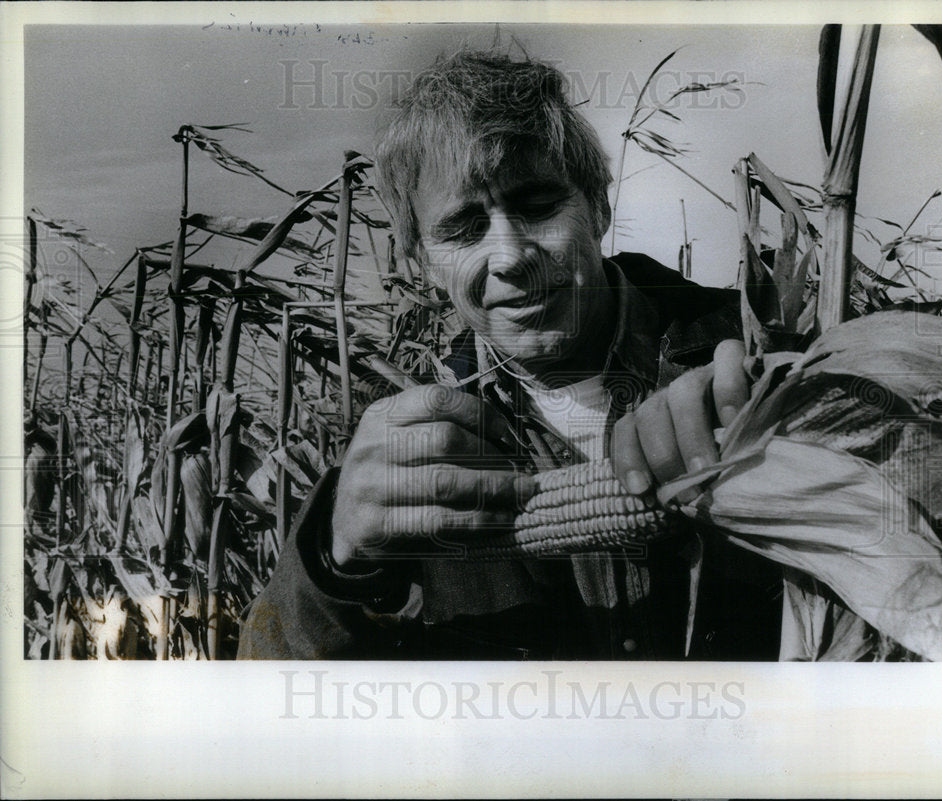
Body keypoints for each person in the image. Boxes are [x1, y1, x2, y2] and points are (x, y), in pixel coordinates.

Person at [237, 50, 784, 660]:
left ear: (598, 205)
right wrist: (335, 565)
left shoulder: (760, 348)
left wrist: (786, 415)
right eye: (465, 228)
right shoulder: (403, 452)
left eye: (536, 205)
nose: (510, 256)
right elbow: (267, 687)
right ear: (421, 259)